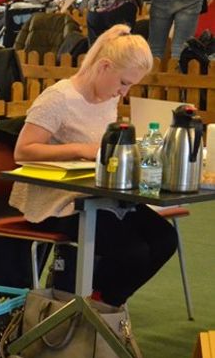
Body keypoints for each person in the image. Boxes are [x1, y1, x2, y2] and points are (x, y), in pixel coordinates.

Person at [9, 25, 176, 306]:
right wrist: (80, 150)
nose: (123, 92)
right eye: (123, 83)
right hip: (58, 200)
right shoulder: (58, 98)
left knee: (164, 239)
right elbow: (23, 151)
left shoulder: (106, 98)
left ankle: (102, 302)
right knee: (132, 251)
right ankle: (98, 306)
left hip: (99, 195)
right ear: (104, 67)